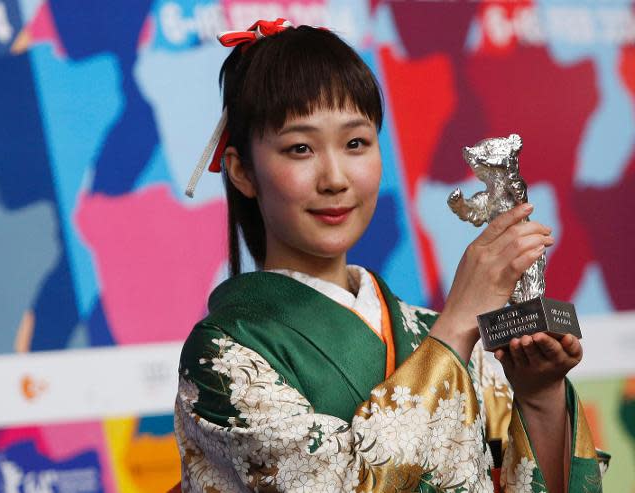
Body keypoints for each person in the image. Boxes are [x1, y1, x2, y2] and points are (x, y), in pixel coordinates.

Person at [175, 19, 608, 492]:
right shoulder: (225, 353)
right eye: (300, 148)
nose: (335, 178)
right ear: (242, 172)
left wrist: (539, 398)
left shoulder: (432, 331)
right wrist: (460, 321)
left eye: (356, 143)